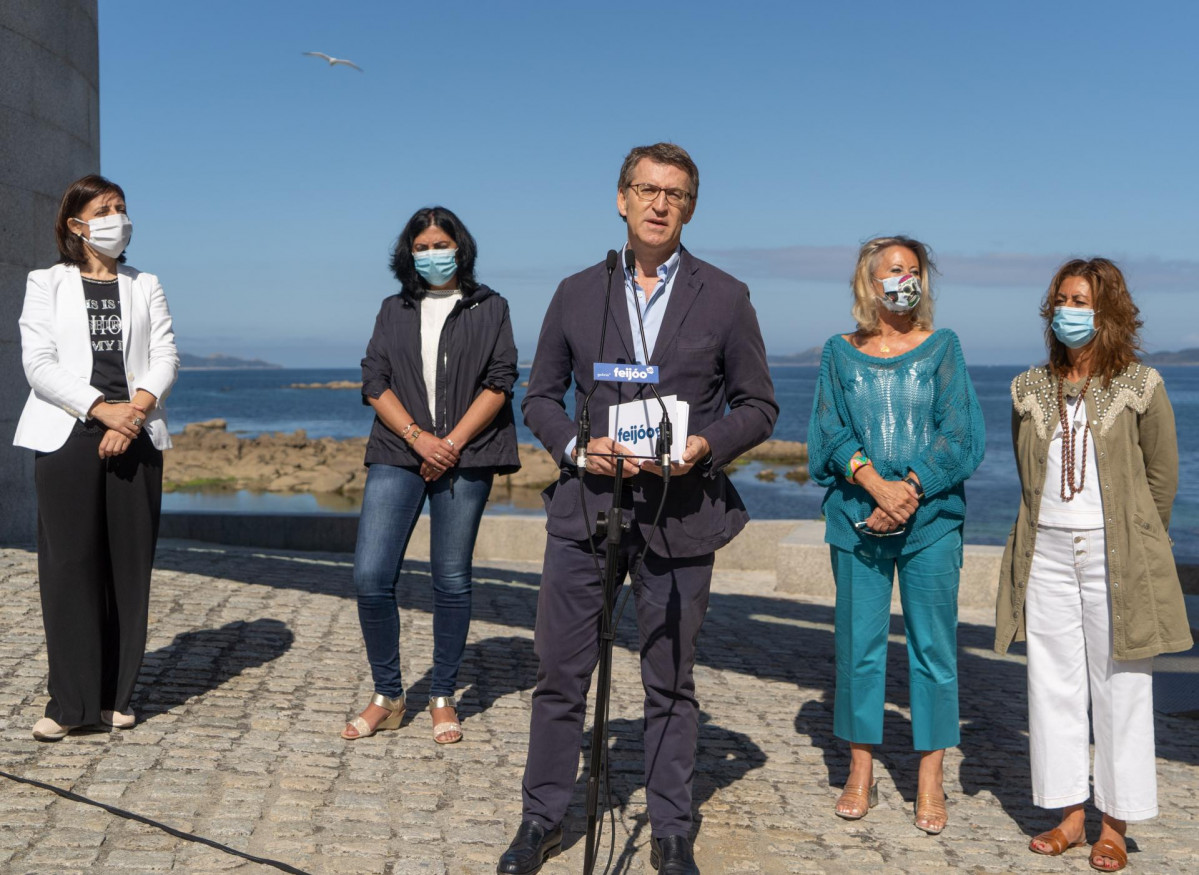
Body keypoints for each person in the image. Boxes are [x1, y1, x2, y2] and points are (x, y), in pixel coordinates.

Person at [497, 143, 777, 875]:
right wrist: (573, 447)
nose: (659, 204)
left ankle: (672, 826)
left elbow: (758, 406)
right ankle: (541, 817)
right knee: (560, 672)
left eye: (675, 194)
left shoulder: (725, 295)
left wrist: (706, 444)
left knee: (670, 679)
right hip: (586, 510)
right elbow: (537, 397)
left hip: (682, 513)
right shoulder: (573, 291)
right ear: (620, 199)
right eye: (646, 190)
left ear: (690, 207)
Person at [995, 258, 1191, 873]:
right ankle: (1068, 816)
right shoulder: (1028, 387)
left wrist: (1135, 543)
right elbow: (1030, 482)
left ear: (1107, 313)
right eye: (1060, 299)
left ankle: (1116, 824)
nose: (1067, 311)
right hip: (1047, 552)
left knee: (1122, 690)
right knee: (1052, 686)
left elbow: (1162, 479)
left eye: (1080, 300)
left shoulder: (1141, 384)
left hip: (1118, 558)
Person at [807, 236, 985, 834]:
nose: (904, 279)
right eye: (893, 270)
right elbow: (826, 433)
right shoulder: (838, 351)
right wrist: (874, 486)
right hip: (857, 522)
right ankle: (861, 768)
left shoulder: (944, 348)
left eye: (913, 270)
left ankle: (929, 775)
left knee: (934, 650)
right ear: (870, 281)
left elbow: (961, 436)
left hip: (930, 524)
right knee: (858, 646)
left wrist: (906, 490)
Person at [343, 206, 520, 745]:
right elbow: (374, 380)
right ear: (408, 253)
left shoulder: (492, 307)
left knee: (451, 579)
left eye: (440, 243)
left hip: (469, 454)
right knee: (370, 577)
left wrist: (451, 444)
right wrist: (419, 438)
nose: (431, 253)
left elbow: (500, 380)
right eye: (420, 247)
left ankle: (442, 695)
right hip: (399, 453)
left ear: (460, 247)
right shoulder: (393, 308)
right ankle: (388, 695)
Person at [14, 174, 179, 741]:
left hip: (136, 434)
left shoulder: (145, 283)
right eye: (105, 209)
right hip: (68, 434)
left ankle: (116, 696)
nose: (118, 217)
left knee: (128, 568)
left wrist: (130, 416)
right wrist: (99, 410)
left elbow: (165, 356)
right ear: (75, 225)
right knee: (68, 569)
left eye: (123, 208)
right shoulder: (46, 283)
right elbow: (38, 362)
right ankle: (70, 704)